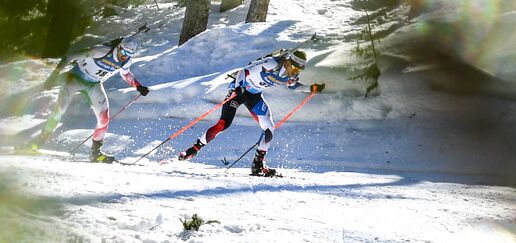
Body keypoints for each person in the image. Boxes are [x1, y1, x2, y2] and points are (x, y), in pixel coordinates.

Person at [179, 48, 325, 177]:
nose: (294, 71)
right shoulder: (271, 64)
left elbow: (293, 86)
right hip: (239, 91)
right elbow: (244, 71)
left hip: (254, 96)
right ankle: (193, 149)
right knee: (224, 124)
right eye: (293, 67)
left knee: (269, 128)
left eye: (298, 70)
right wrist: (236, 88)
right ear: (288, 62)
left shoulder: (289, 76)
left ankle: (258, 166)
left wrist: (311, 88)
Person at [35, 34, 150, 162]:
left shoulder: (126, 61)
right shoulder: (100, 51)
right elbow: (70, 57)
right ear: (118, 47)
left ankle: (95, 153)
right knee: (60, 108)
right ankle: (37, 143)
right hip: (74, 78)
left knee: (104, 119)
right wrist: (53, 76)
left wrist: (138, 86)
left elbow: (126, 74)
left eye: (128, 54)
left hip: (94, 84)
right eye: (123, 51)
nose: (124, 56)